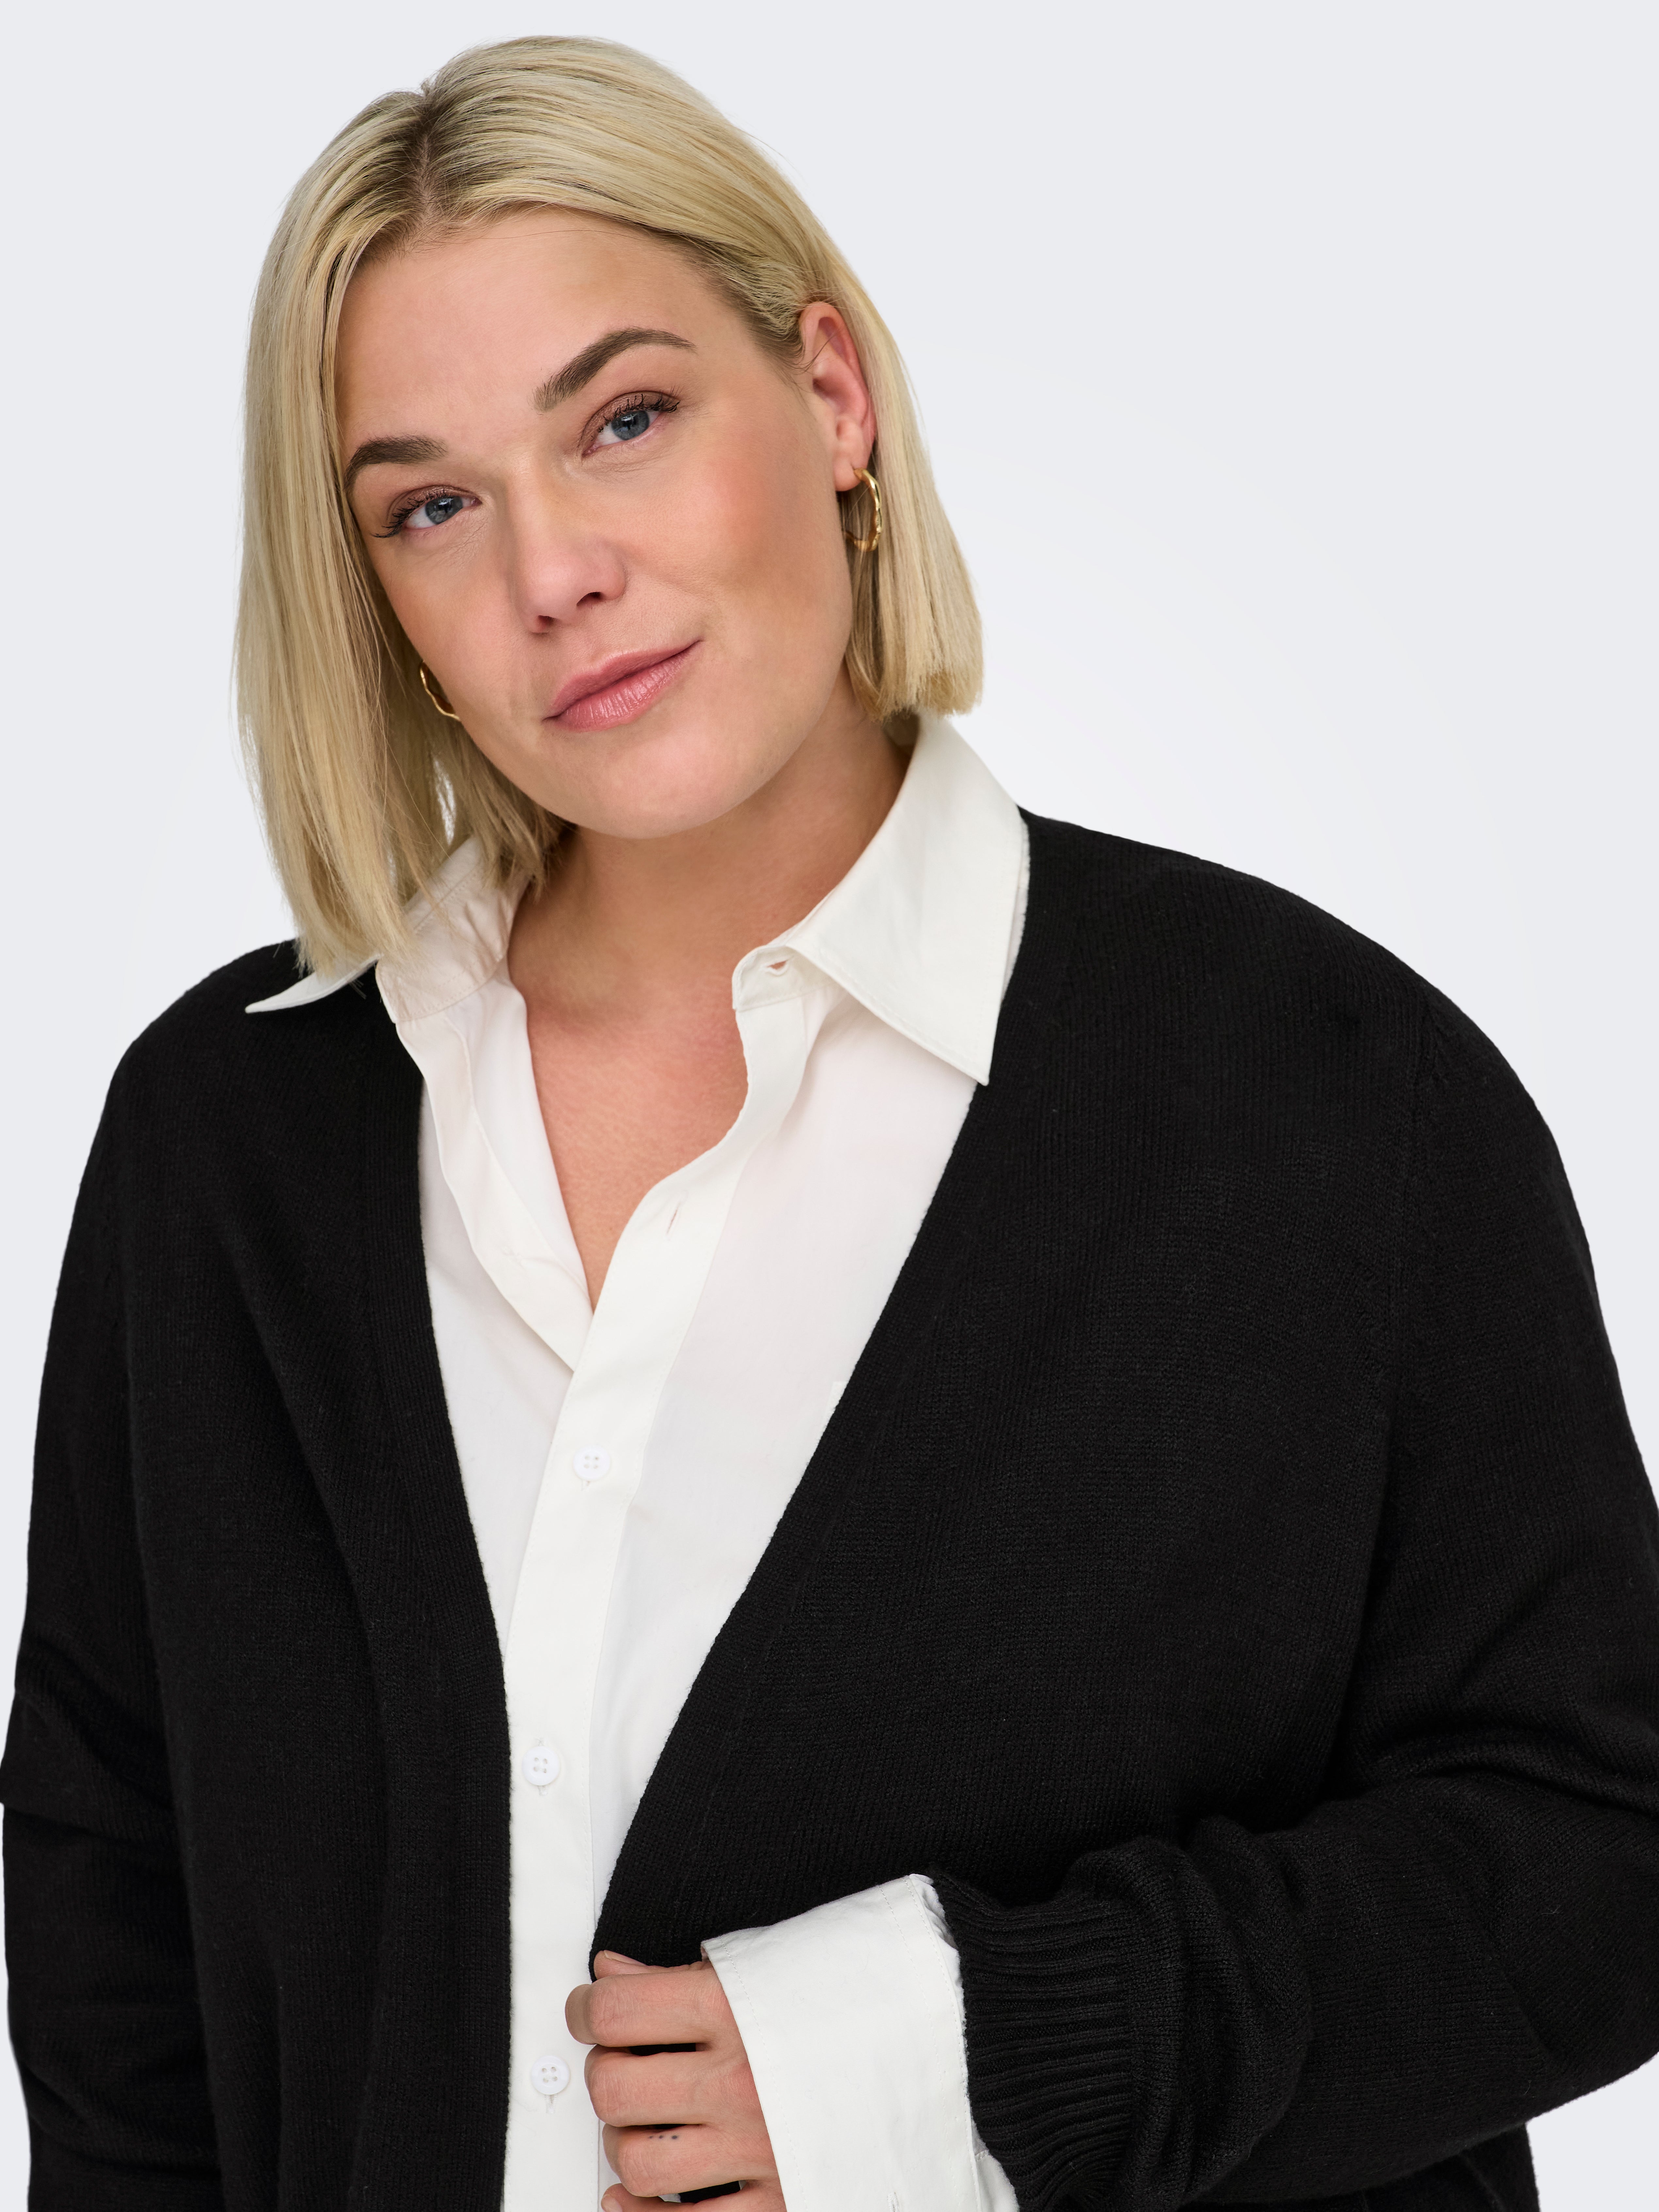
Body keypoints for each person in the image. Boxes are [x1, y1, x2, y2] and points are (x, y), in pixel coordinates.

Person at [4, 33, 1657, 2212]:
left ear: (833, 396)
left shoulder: (1334, 1100)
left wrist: (973, 2054)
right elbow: (116, 1939)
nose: (552, 571)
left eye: (623, 419)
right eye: (430, 503)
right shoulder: (228, 1137)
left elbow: (1599, 1847)